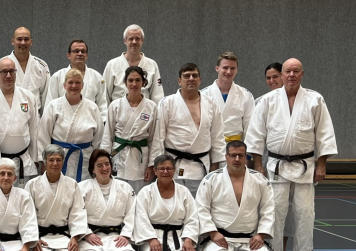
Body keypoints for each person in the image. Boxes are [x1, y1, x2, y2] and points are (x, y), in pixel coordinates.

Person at [245, 58, 337, 251]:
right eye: (288, 71)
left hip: (306, 165)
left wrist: (322, 163)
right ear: (282, 74)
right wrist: (258, 164)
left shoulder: (315, 99)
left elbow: (324, 132)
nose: (292, 75)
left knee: (305, 211)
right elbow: (255, 134)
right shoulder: (268, 100)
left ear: (302, 74)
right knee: (275, 209)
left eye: (296, 71)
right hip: (276, 165)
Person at [197, 141, 277, 251]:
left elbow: (268, 209)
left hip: (249, 240)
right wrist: (213, 233)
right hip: (221, 238)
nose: (237, 159)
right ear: (226, 156)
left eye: (241, 155)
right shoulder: (211, 179)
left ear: (246, 157)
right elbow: (201, 208)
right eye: (233, 155)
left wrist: (261, 234)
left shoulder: (259, 180)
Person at [150, 63, 226, 196]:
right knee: (174, 208)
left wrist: (215, 167)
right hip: (173, 167)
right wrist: (158, 167)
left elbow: (217, 138)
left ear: (200, 80)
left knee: (198, 209)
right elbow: (158, 137)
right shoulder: (167, 103)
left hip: (201, 168)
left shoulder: (211, 104)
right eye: (186, 76)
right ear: (179, 81)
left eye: (195, 75)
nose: (191, 78)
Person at [78, 150, 153, 251]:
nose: (104, 168)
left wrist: (126, 235)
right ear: (92, 169)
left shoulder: (125, 187)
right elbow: (77, 215)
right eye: (99, 165)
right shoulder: (82, 187)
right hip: (92, 236)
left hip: (116, 236)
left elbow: (132, 213)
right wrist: (86, 234)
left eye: (107, 164)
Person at [25, 145, 87, 251]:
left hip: (64, 236)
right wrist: (33, 238)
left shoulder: (72, 184)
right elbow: (27, 215)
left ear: (63, 162)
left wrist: (75, 237)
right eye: (51, 160)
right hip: (40, 237)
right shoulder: (32, 185)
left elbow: (78, 213)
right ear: (44, 162)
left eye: (58, 160)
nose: (55, 163)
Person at [132, 155, 200, 251]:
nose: (165, 172)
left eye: (169, 169)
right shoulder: (146, 192)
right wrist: (151, 239)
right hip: (153, 236)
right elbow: (141, 218)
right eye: (161, 169)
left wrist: (188, 240)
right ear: (155, 170)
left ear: (174, 170)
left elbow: (192, 218)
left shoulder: (183, 191)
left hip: (178, 237)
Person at [0, 58, 39, 186]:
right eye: (4, 72)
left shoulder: (28, 96)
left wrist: (36, 160)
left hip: (22, 162)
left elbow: (34, 130)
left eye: (12, 71)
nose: (8, 75)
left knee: (21, 200)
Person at [255, 62, 295, 251]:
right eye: (268, 78)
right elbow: (256, 136)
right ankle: (272, 245)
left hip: (297, 162)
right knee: (272, 205)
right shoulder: (262, 101)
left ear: (283, 76)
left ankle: (284, 246)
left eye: (275, 77)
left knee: (294, 209)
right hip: (271, 161)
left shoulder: (303, 100)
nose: (272, 81)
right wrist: (257, 164)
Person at [38, 68, 104, 182]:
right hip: (58, 159)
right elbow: (43, 135)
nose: (74, 86)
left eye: (78, 82)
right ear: (64, 85)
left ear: (82, 85)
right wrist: (44, 161)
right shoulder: (54, 106)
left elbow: (99, 138)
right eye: (70, 82)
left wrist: (97, 161)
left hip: (84, 159)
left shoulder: (92, 107)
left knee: (83, 191)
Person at [101, 65, 157, 194]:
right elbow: (107, 136)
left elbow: (155, 138)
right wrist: (104, 162)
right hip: (118, 155)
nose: (134, 84)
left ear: (143, 82)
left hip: (140, 159)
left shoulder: (151, 107)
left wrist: (151, 165)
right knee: (117, 196)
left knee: (139, 197)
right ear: (125, 82)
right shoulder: (115, 105)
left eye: (138, 80)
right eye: (130, 80)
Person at [44, 39, 107, 123]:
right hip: (62, 126)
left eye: (83, 51)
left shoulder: (97, 77)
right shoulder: (57, 77)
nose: (80, 54)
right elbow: (49, 105)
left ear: (87, 55)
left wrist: (101, 124)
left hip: (88, 126)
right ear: (68, 55)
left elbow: (102, 106)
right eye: (76, 51)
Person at [200, 52, 254, 144]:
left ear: (237, 70)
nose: (229, 72)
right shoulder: (203, 95)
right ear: (217, 68)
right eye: (225, 67)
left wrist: (248, 152)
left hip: (236, 147)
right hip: (210, 145)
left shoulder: (246, 95)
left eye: (232, 68)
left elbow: (249, 127)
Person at [0, 27, 50, 113]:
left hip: (34, 115)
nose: (23, 42)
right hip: (6, 114)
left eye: (26, 39)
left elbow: (46, 96)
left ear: (31, 42)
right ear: (13, 41)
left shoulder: (41, 66)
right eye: (19, 39)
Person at [103, 24, 164, 103]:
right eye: (131, 39)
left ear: (142, 41)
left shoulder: (152, 65)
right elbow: (104, 95)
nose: (134, 42)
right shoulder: (112, 65)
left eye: (137, 39)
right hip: (118, 112)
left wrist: (157, 114)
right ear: (125, 41)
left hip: (144, 112)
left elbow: (158, 96)